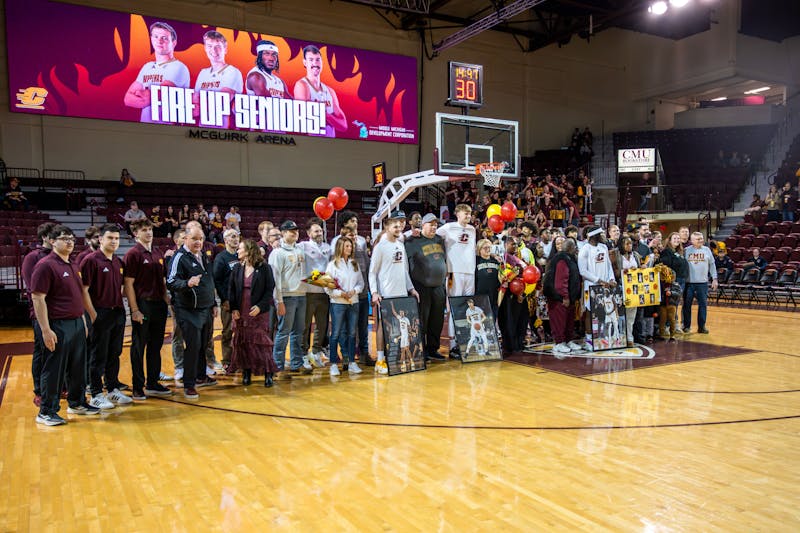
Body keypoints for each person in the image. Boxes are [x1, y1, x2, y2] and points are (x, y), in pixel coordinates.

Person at [31, 225, 99, 425]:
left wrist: (83, 322)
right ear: (52, 241)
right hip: (57, 324)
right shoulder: (45, 265)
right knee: (54, 369)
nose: (69, 242)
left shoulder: (73, 264)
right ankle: (46, 411)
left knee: (78, 367)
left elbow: (78, 296)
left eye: (71, 238)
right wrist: (45, 329)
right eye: (63, 238)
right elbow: (38, 298)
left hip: (77, 323)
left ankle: (77, 402)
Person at [80, 224, 131, 409]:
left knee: (114, 353)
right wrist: (93, 314)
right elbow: (83, 290)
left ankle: (112, 389)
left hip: (117, 312)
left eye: (117, 238)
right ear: (100, 239)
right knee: (98, 355)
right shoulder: (90, 260)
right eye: (110, 238)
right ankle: (95, 393)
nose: (114, 241)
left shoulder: (118, 262)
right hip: (99, 313)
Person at [166, 224, 219, 400]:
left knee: (204, 344)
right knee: (193, 346)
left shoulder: (203, 256)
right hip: (188, 310)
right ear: (185, 238)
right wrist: (186, 283)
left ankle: (201, 375)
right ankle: (189, 384)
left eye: (201, 239)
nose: (198, 242)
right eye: (195, 239)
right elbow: (171, 281)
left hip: (205, 307)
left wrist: (213, 303)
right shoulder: (179, 257)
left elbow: (209, 282)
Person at [123, 218, 172, 400]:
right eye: (144, 229)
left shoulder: (158, 252)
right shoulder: (133, 254)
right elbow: (128, 284)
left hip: (159, 304)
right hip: (143, 304)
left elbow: (163, 281)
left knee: (156, 345)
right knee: (138, 346)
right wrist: (134, 309)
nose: (149, 232)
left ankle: (153, 382)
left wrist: (168, 302)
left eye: (150, 229)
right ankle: (138, 386)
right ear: (136, 233)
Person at [369, 211, 419, 374]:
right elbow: (372, 272)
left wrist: (411, 288)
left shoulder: (400, 245)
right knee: (383, 327)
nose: (399, 228)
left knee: (398, 328)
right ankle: (380, 360)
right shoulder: (380, 246)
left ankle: (395, 358)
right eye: (395, 225)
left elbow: (404, 271)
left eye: (401, 225)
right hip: (386, 293)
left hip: (401, 293)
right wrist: (375, 292)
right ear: (387, 227)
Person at [229, 239, 278, 387]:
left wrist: (261, 306)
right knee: (243, 342)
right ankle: (246, 372)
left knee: (261, 343)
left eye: (240, 248)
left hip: (258, 310)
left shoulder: (264, 268)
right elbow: (231, 289)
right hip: (241, 309)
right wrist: (234, 308)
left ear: (249, 251)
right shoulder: (237, 268)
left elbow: (270, 290)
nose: (238, 251)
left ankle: (268, 373)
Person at [124, 21, 190, 122]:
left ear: (174, 43)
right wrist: (145, 96)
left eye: (164, 38)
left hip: (168, 132)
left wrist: (140, 94)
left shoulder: (178, 67)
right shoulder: (147, 67)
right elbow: (127, 99)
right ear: (151, 39)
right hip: (144, 131)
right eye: (156, 36)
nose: (159, 41)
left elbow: (151, 98)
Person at [331, 211, 372, 366]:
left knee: (363, 327)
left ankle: (364, 353)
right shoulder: (337, 249)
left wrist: (367, 289)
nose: (355, 224)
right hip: (344, 296)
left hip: (360, 293)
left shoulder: (361, 246)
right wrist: (340, 292)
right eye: (351, 221)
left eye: (356, 221)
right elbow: (333, 273)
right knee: (346, 329)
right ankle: (346, 354)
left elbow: (367, 269)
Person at [405, 213, 447, 361]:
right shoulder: (412, 241)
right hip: (421, 286)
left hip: (438, 287)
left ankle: (433, 349)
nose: (434, 227)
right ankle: (420, 350)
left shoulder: (440, 240)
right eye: (431, 224)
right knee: (422, 320)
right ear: (423, 225)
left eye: (436, 224)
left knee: (437, 320)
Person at [269, 220, 309, 375]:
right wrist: (279, 301)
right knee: (284, 331)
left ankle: (296, 362)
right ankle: (277, 364)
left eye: (296, 230)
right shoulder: (277, 253)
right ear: (283, 233)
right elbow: (275, 280)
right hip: (287, 297)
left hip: (301, 295)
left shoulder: (299, 250)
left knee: (299, 331)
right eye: (291, 230)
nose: (295, 233)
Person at [436, 204, 477, 358]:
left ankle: (464, 341)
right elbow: (433, 237)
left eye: (470, 213)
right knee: (454, 307)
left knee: (467, 308)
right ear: (458, 213)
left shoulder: (473, 229)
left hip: (470, 272)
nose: (468, 216)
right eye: (465, 213)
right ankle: (453, 345)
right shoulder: (448, 227)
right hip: (454, 272)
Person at [22, 222, 55, 407]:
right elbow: (32, 287)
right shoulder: (32, 257)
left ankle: (60, 386)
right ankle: (40, 391)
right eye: (54, 235)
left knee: (59, 352)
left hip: (60, 313)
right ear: (45, 237)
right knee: (42, 352)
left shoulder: (61, 257)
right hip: (41, 312)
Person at [324, 236, 364, 376]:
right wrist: (341, 293)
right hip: (338, 304)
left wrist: (354, 291)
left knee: (353, 333)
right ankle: (334, 364)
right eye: (347, 246)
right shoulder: (332, 265)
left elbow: (361, 283)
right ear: (340, 247)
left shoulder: (354, 264)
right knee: (335, 333)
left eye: (350, 246)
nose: (349, 248)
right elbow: (327, 288)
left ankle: (352, 362)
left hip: (353, 302)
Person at [293, 44, 347, 136]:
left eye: (318, 60)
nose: (315, 63)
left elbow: (343, 126)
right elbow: (305, 119)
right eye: (311, 60)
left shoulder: (330, 91)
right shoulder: (302, 85)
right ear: (305, 63)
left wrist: (324, 114)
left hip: (331, 145)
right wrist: (331, 118)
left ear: (322, 62)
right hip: (312, 145)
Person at [298, 217, 331, 368]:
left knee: (322, 325)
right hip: (308, 292)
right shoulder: (302, 246)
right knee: (305, 325)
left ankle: (316, 352)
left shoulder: (328, 247)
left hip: (324, 292)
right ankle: (303, 354)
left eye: (321, 230)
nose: (319, 233)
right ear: (308, 233)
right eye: (316, 231)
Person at [193, 31, 243, 129]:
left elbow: (220, 102)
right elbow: (194, 104)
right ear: (205, 48)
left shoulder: (232, 72)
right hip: (201, 130)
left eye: (218, 46)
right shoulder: (203, 73)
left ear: (225, 49)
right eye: (210, 46)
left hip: (225, 132)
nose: (214, 50)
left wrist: (201, 102)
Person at [577, 227, 616, 351]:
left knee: (604, 312)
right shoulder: (585, 250)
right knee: (590, 312)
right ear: (594, 236)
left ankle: (602, 337)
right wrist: (598, 280)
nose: (604, 236)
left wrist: (611, 279)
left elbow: (609, 266)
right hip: (591, 286)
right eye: (601, 234)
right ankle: (589, 339)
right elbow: (583, 271)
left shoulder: (603, 247)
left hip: (605, 286)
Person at [543, 237, 581, 356]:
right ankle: (559, 342)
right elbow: (561, 281)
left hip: (569, 296)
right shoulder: (561, 259)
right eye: (574, 246)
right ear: (570, 248)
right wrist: (564, 296)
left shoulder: (569, 258)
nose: (576, 249)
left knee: (569, 320)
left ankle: (568, 340)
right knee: (559, 320)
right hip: (559, 297)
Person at [212, 229, 240, 370]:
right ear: (226, 240)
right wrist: (224, 299)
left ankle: (241, 359)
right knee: (228, 331)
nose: (236, 239)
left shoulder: (241, 256)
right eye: (233, 237)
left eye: (237, 236)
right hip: (228, 301)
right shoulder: (221, 258)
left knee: (242, 331)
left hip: (242, 300)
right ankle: (227, 360)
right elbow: (216, 280)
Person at [683, 232, 718, 334]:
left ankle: (701, 326)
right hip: (689, 283)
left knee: (703, 305)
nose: (701, 241)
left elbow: (712, 265)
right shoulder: (686, 250)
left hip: (702, 283)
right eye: (698, 239)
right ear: (692, 240)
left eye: (701, 238)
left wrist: (714, 279)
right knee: (687, 305)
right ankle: (686, 326)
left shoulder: (707, 250)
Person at [164, 229, 186, 382]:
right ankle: (179, 366)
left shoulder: (194, 256)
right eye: (184, 238)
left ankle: (193, 365)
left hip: (193, 303)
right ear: (176, 240)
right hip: (178, 301)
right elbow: (168, 280)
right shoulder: (171, 257)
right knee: (178, 333)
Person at [474, 238, 502, 322]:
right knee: (481, 320)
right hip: (480, 296)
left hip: (494, 295)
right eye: (485, 248)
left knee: (492, 318)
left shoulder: (496, 261)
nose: (488, 249)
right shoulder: (475, 261)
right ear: (479, 249)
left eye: (489, 247)